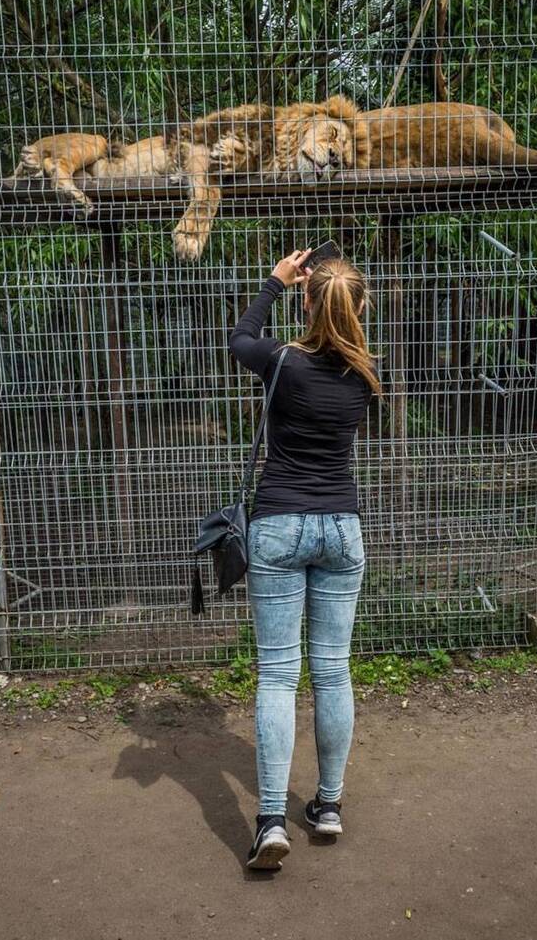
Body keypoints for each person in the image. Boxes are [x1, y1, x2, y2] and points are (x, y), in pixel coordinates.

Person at [229, 248, 381, 870]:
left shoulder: (283, 362)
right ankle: (328, 806)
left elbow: (241, 339)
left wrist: (273, 282)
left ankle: (269, 822)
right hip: (342, 530)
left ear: (309, 300)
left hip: (279, 526)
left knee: (277, 675)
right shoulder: (368, 377)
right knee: (333, 672)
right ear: (362, 308)